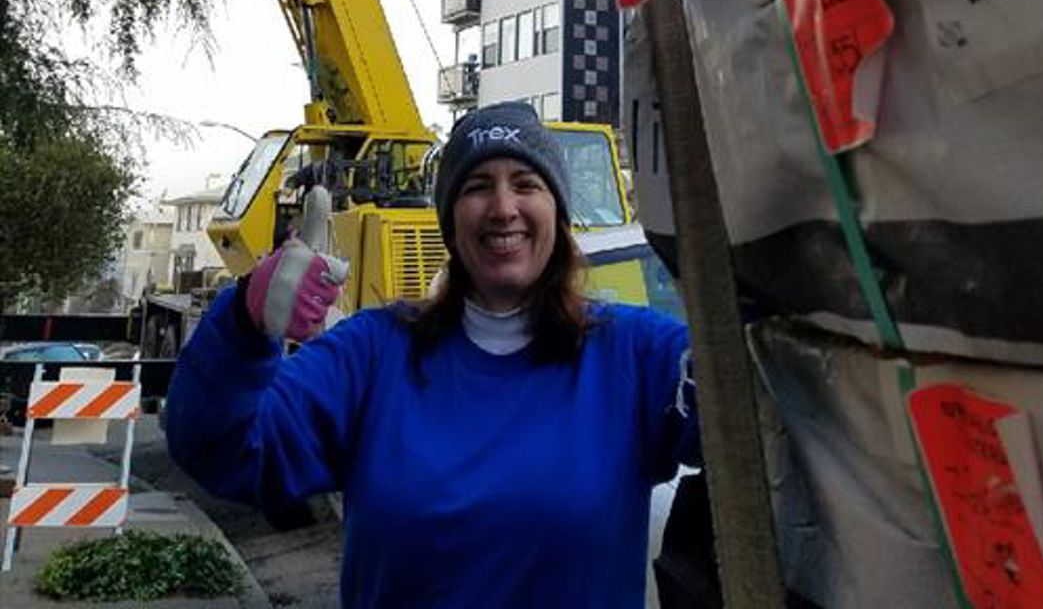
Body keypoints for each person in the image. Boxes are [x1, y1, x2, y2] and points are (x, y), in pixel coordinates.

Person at [164, 102, 699, 608]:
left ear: (556, 212)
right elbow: (222, 451)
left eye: (527, 184)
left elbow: (761, 421)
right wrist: (242, 324)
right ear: (448, 218)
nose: (503, 208)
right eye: (477, 186)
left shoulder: (638, 355)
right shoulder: (372, 355)